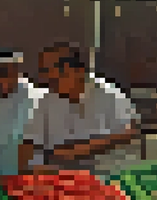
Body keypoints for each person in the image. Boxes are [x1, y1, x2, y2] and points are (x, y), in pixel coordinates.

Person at [25, 43, 138, 171]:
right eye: (44, 72)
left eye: (55, 77)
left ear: (78, 71)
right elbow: (31, 143)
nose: (46, 80)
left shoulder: (108, 94)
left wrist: (82, 149)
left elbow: (129, 131)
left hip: (105, 172)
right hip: (59, 174)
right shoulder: (44, 101)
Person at [0, 50, 44, 176]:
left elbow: (25, 137)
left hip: (15, 170)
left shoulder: (33, 96)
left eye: (4, 70)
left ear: (16, 69)